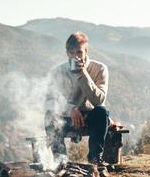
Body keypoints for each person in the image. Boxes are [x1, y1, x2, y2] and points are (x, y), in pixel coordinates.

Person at [44, 32, 110, 166]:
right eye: (71, 52)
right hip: (66, 117)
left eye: (79, 52)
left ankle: (95, 159)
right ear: (67, 53)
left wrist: (83, 74)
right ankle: (60, 161)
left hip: (90, 116)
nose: (75, 56)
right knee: (50, 117)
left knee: (101, 112)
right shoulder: (59, 71)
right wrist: (71, 109)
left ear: (86, 51)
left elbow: (99, 100)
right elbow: (50, 100)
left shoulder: (100, 69)